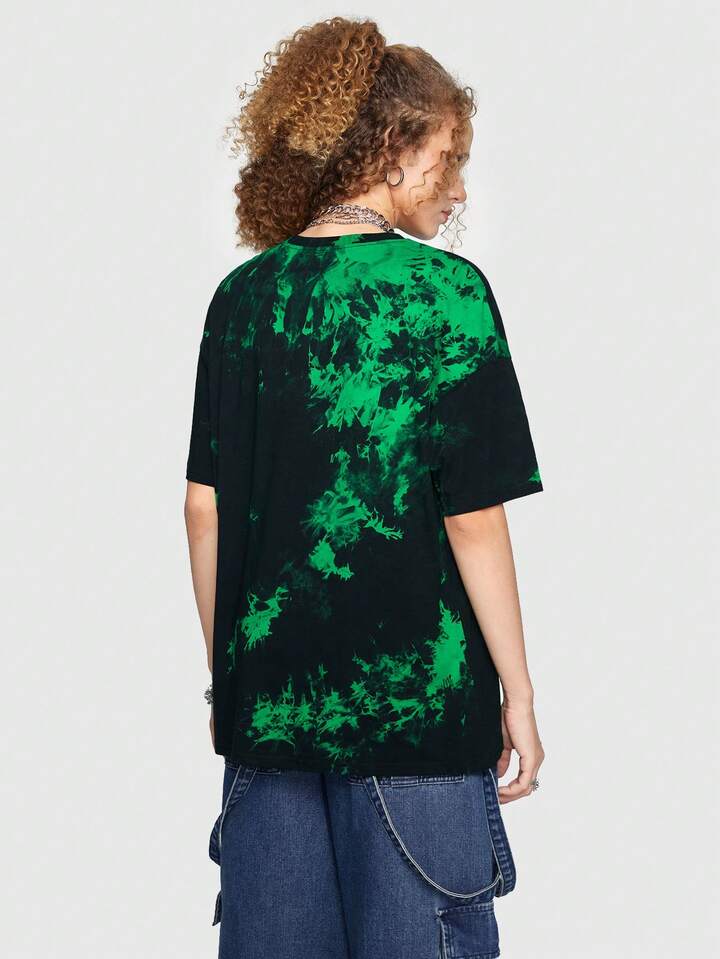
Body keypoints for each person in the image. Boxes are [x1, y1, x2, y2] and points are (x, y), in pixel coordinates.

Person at [184, 16, 545, 959]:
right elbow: (472, 516)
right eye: (448, 158)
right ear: (391, 149)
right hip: (417, 717)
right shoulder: (446, 295)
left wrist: (233, 678)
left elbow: (203, 509)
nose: (459, 188)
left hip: (267, 721)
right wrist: (517, 692)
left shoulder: (243, 299)